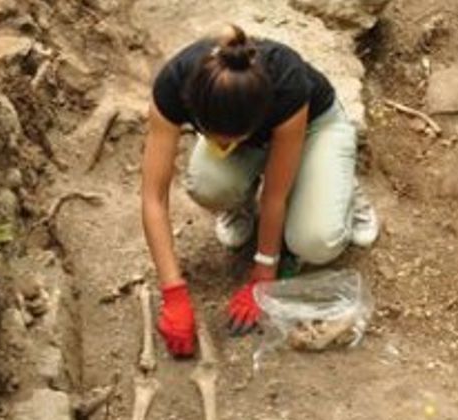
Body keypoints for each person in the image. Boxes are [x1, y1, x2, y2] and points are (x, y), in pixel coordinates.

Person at [141, 25, 378, 355]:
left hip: (312, 128)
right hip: (253, 136)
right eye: (218, 139)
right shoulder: (173, 86)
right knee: (207, 185)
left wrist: (263, 272)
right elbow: (153, 198)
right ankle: (245, 198)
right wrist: (173, 292)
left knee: (315, 241)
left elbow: (274, 195)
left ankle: (339, 184)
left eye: (233, 141)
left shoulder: (287, 84)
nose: (226, 146)